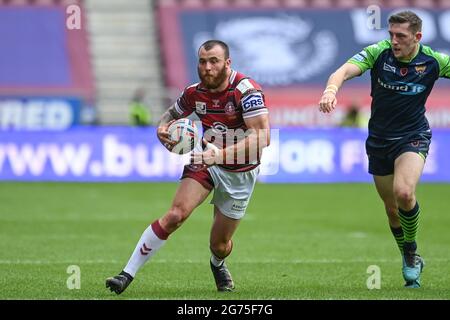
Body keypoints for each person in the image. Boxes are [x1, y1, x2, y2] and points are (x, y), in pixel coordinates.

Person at [106, 40, 270, 294]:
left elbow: (262, 138)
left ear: (227, 63)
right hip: (206, 161)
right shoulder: (195, 92)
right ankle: (126, 274)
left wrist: (222, 155)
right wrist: (161, 127)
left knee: (219, 244)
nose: (207, 67)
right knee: (175, 215)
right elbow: (172, 114)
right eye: (202, 61)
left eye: (214, 61)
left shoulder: (246, 91)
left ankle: (218, 263)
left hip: (240, 173)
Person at [319, 11, 450, 288]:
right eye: (391, 34)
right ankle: (407, 254)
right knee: (391, 208)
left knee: (404, 192)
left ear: (417, 37)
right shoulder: (378, 53)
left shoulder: (433, 61)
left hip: (413, 136)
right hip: (379, 140)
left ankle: (411, 251)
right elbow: (342, 71)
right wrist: (331, 90)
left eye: (400, 36)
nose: (394, 41)